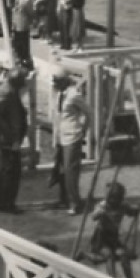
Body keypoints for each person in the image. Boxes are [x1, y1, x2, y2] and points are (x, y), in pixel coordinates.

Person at [0, 70, 30, 213]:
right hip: (8, 140)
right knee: (11, 171)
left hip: (8, 138)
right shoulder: (6, 93)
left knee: (6, 169)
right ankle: (6, 203)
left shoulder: (9, 90)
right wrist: (10, 135)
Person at [51, 68, 90, 214]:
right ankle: (64, 198)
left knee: (70, 171)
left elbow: (88, 112)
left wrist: (83, 130)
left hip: (72, 137)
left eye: (57, 82)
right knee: (60, 169)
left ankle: (75, 202)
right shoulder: (59, 94)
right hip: (61, 136)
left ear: (64, 82)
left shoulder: (74, 95)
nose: (54, 84)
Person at [85, 182, 135, 278]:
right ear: (110, 198)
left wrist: (136, 210)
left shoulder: (122, 205)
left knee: (124, 255)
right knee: (109, 255)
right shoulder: (103, 205)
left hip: (114, 238)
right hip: (101, 238)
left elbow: (131, 212)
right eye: (114, 199)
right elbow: (93, 217)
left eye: (118, 199)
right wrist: (99, 213)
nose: (116, 202)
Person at [10, 0, 34, 70]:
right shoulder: (16, 0)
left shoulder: (26, 0)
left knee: (24, 44)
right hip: (16, 24)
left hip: (23, 24)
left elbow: (30, 12)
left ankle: (25, 60)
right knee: (17, 44)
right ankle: (19, 59)